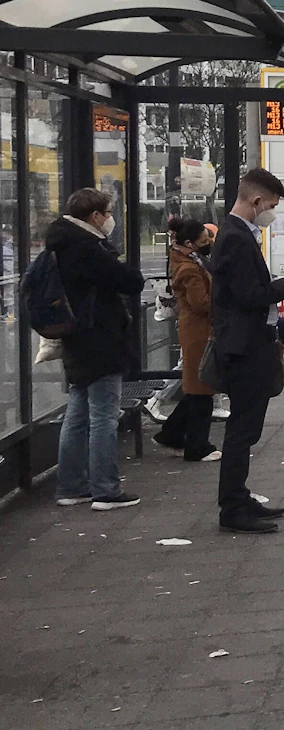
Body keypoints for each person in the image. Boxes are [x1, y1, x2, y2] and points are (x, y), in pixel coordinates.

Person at [210, 168, 284, 534]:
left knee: (246, 428)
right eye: (270, 205)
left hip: (244, 343)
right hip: (244, 347)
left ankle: (239, 497)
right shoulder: (237, 238)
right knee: (242, 430)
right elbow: (248, 296)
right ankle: (233, 507)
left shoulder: (235, 234)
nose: (271, 212)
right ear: (256, 201)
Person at [48, 188, 145, 510]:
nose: (110, 219)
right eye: (108, 212)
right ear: (95, 217)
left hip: (76, 339)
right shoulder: (87, 248)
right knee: (103, 415)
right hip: (100, 339)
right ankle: (105, 489)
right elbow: (130, 280)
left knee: (76, 414)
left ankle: (71, 486)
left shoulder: (60, 244)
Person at [151, 218, 220, 462]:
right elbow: (201, 303)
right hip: (199, 332)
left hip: (198, 330)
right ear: (189, 243)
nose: (209, 243)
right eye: (204, 241)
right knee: (201, 387)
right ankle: (197, 446)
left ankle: (171, 433)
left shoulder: (189, 260)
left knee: (196, 387)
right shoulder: (188, 268)